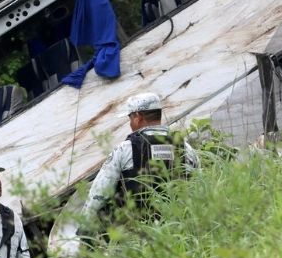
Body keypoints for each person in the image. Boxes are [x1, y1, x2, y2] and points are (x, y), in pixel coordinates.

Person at [80, 92, 198, 223]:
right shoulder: (186, 149)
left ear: (138, 117)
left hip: (131, 235)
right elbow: (197, 189)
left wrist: (85, 229)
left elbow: (99, 194)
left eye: (130, 118)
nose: (130, 124)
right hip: (175, 233)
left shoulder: (124, 150)